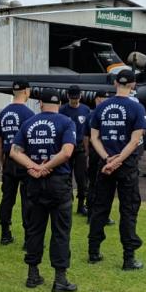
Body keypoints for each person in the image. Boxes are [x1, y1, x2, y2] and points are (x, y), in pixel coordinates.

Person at [10, 87, 78, 292]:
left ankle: (33, 274)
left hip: (35, 183)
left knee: (35, 229)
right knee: (60, 231)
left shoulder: (29, 123)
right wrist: (46, 167)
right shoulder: (66, 122)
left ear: (40, 104)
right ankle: (60, 279)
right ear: (59, 104)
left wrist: (33, 166)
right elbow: (67, 152)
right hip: (58, 182)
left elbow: (14, 152)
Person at [88, 69, 146, 270]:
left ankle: (93, 251)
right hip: (126, 165)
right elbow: (135, 140)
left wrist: (107, 159)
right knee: (128, 209)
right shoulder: (137, 108)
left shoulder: (101, 107)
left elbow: (94, 137)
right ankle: (128, 258)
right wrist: (119, 160)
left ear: (115, 83)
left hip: (104, 164)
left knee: (100, 207)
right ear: (132, 85)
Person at [0, 78, 35, 245]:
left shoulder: (3, 114)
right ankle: (28, 238)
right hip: (25, 161)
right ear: (26, 92)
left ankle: (5, 233)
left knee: (7, 198)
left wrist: (3, 161)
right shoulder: (30, 115)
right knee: (27, 200)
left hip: (9, 162)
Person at [59, 85, 91, 215]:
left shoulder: (85, 110)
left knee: (82, 178)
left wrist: (87, 150)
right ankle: (66, 202)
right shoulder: (62, 110)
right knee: (65, 176)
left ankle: (81, 204)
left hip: (80, 149)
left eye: (76, 98)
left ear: (80, 96)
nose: (74, 101)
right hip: (66, 148)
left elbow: (87, 132)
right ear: (68, 96)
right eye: (72, 98)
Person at [85, 90, 114, 226]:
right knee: (94, 184)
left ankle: (102, 215)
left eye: (106, 99)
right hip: (96, 153)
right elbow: (87, 137)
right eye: (102, 98)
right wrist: (87, 152)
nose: (104, 101)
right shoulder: (92, 115)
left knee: (105, 186)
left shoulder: (108, 114)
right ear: (96, 99)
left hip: (105, 153)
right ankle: (91, 214)